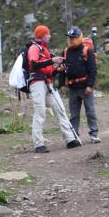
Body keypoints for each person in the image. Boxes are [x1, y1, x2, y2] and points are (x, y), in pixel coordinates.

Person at [26, 24, 81, 153]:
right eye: (48, 34)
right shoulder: (34, 48)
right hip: (37, 83)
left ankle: (71, 139)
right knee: (40, 112)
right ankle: (38, 144)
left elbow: (47, 71)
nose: (49, 36)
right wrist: (52, 60)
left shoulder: (44, 49)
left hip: (47, 82)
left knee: (60, 109)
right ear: (43, 35)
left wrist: (57, 70)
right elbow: (33, 64)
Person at [60, 26, 99, 144]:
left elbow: (93, 70)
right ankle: (74, 136)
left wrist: (90, 85)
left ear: (79, 37)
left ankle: (94, 134)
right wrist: (62, 84)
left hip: (85, 87)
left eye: (73, 37)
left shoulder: (87, 50)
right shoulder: (65, 52)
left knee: (90, 111)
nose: (71, 40)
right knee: (74, 114)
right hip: (72, 88)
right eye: (70, 38)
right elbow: (62, 70)